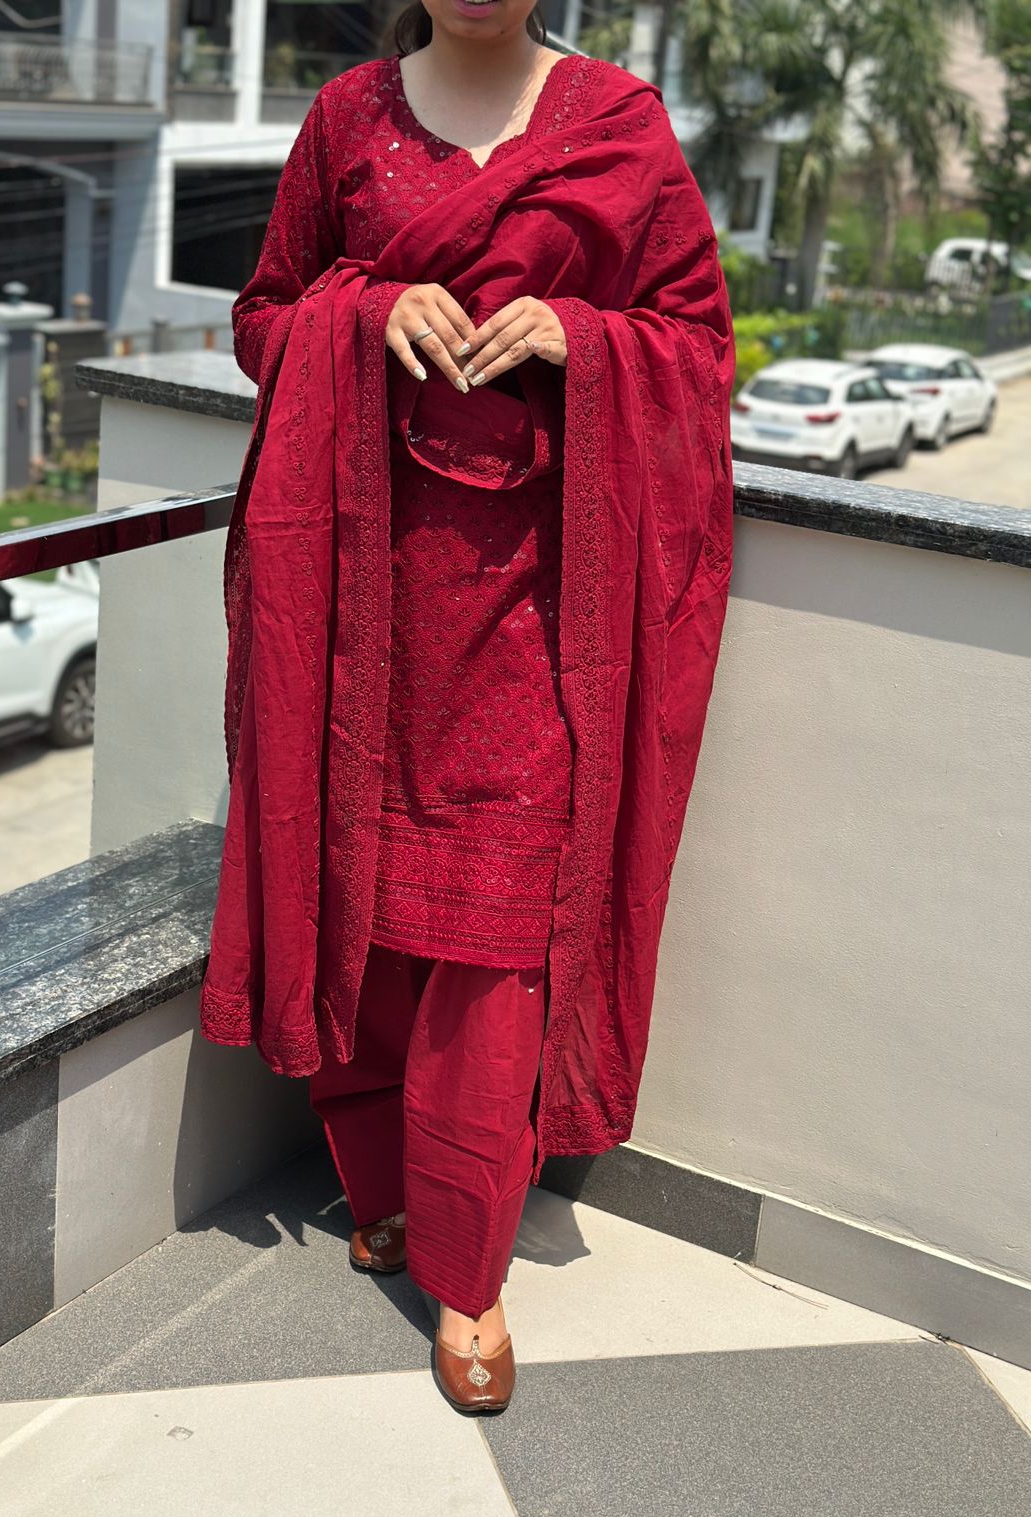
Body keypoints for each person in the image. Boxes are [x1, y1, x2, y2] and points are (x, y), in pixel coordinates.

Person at [199, 0, 735, 1416]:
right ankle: (378, 1189)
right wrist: (367, 312)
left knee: (496, 946)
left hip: (542, 615)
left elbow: (696, 344)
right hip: (361, 597)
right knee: (365, 907)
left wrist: (583, 336)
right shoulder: (346, 118)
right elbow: (262, 320)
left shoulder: (620, 126)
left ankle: (470, 1269)